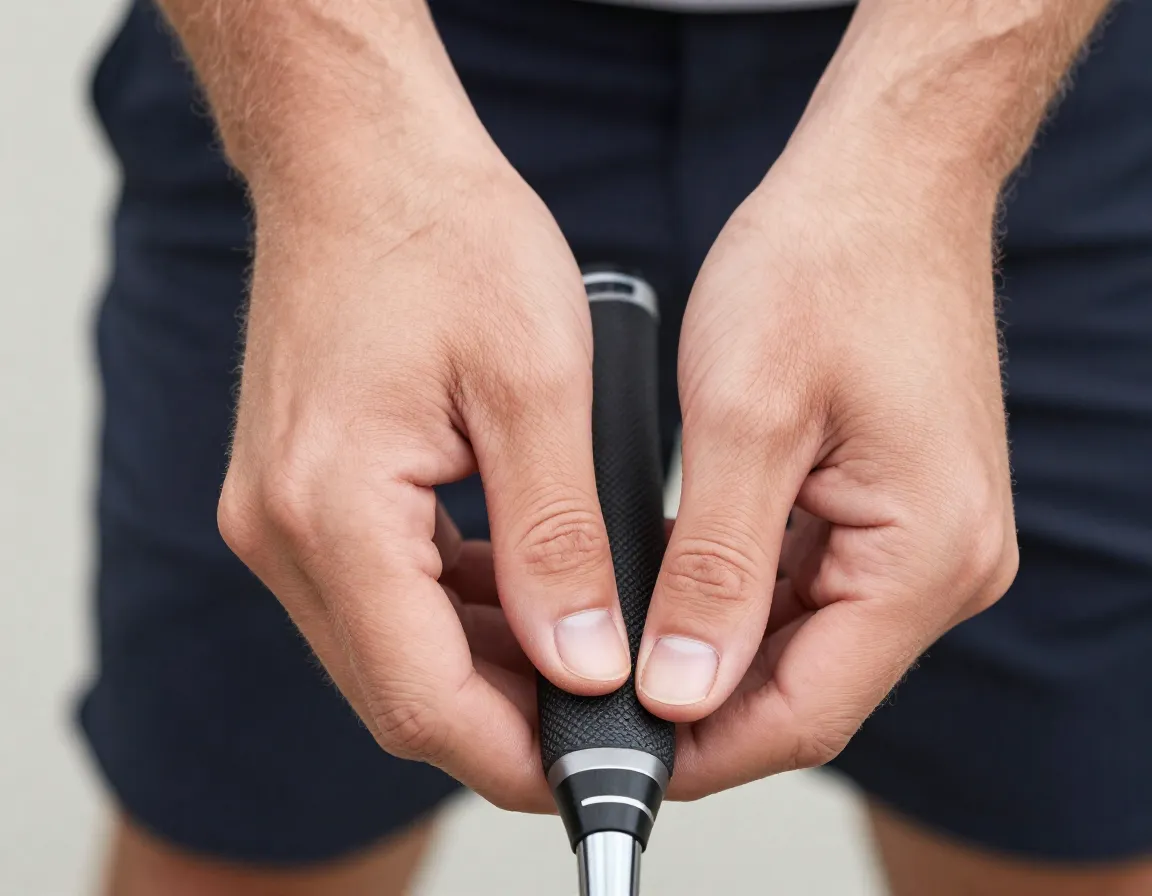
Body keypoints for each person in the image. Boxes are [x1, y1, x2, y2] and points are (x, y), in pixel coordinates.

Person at [79, 0, 1152, 893]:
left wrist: (933, 142)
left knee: (1070, 826)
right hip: (355, 70)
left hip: (1000, 59)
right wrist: (335, 128)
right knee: (244, 831)